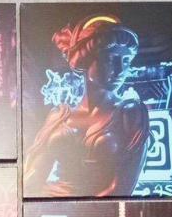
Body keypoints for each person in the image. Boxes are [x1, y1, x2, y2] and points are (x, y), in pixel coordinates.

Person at [24, 16, 149, 198]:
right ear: (85, 59)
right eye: (110, 59)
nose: (120, 70)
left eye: (126, 61)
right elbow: (34, 177)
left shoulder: (130, 114)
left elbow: (121, 189)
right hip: (50, 206)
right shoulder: (59, 115)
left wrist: (75, 209)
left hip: (96, 213)